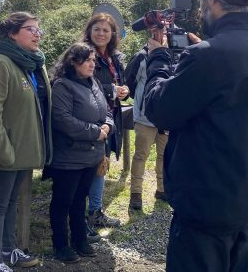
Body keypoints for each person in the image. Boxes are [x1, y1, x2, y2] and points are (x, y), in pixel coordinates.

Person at [142, 0, 248, 271]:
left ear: (212, 0)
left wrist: (157, 57)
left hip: (204, 206)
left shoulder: (209, 56)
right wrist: (202, 48)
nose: (201, 9)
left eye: (203, 0)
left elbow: (159, 109)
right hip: (246, 199)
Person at [0, 12, 49, 271]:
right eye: (31, 29)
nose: (37, 34)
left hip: (21, 153)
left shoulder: (26, 64)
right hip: (3, 153)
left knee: (11, 203)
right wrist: (4, 152)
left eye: (39, 30)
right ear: (12, 34)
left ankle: (9, 251)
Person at [49, 42, 114, 263]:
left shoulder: (93, 82)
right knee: (63, 202)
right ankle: (60, 244)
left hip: (91, 156)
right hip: (68, 157)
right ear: (73, 62)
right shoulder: (62, 86)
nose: (92, 64)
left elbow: (106, 110)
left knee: (80, 200)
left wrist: (107, 125)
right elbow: (62, 120)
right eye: (87, 60)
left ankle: (79, 239)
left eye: (93, 60)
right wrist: (95, 132)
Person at [80, 13, 126, 228]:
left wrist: (123, 90)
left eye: (106, 30)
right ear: (89, 31)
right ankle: (81, 215)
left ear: (112, 34)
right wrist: (111, 90)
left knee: (101, 165)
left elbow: (118, 82)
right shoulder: (82, 53)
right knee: (87, 168)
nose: (101, 33)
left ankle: (95, 212)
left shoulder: (113, 57)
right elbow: (80, 83)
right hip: (89, 120)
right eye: (97, 29)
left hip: (109, 118)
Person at [124, 44, 168, 210]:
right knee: (141, 155)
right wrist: (141, 104)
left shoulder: (172, 54)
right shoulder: (141, 56)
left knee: (164, 155)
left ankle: (162, 189)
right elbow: (130, 83)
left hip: (166, 119)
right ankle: (136, 194)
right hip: (145, 118)